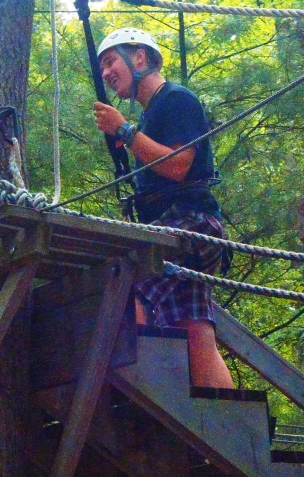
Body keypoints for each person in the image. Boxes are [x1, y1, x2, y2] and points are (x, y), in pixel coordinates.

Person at [93, 28, 233, 388]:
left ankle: (139, 396)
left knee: (128, 292)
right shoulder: (151, 115)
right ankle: (227, 425)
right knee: (194, 329)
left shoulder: (176, 99)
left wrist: (124, 131)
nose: (106, 73)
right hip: (184, 228)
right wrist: (132, 137)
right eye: (103, 66)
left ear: (139, 57)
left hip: (190, 222)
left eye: (111, 61)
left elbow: (178, 165)